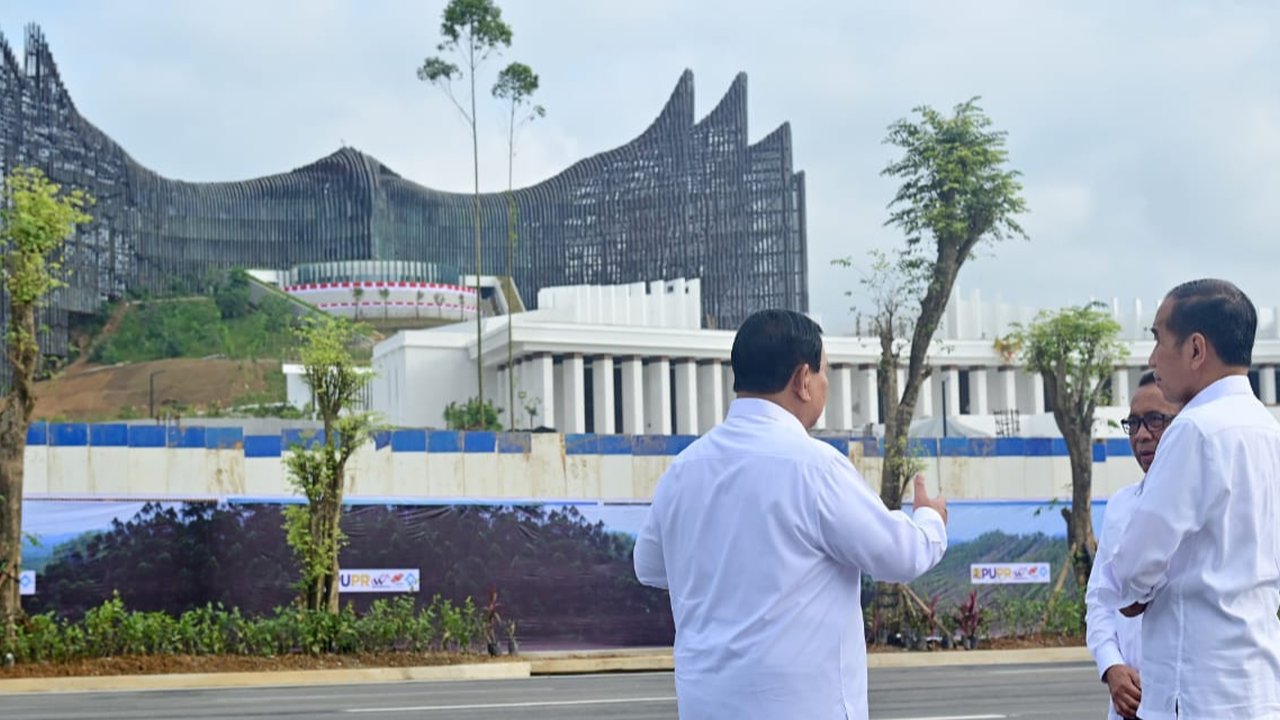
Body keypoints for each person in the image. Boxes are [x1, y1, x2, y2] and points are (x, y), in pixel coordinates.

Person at [633, 308, 948, 720]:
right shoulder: (813, 466)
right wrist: (930, 520)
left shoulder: (684, 470)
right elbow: (901, 555)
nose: (824, 388)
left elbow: (649, 566)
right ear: (803, 380)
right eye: (824, 376)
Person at [1102, 279, 1280, 720]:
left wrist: (1135, 589)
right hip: (1257, 684)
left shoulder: (1194, 429)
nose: (1152, 358)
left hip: (1195, 690)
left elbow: (1134, 567)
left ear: (1196, 349)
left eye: (1159, 339)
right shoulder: (1269, 431)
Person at [1086, 371, 1180, 720]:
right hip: (1128, 706)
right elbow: (1100, 598)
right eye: (1134, 423)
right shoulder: (1121, 505)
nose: (1142, 435)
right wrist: (1112, 667)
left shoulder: (1203, 506)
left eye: (1155, 420)